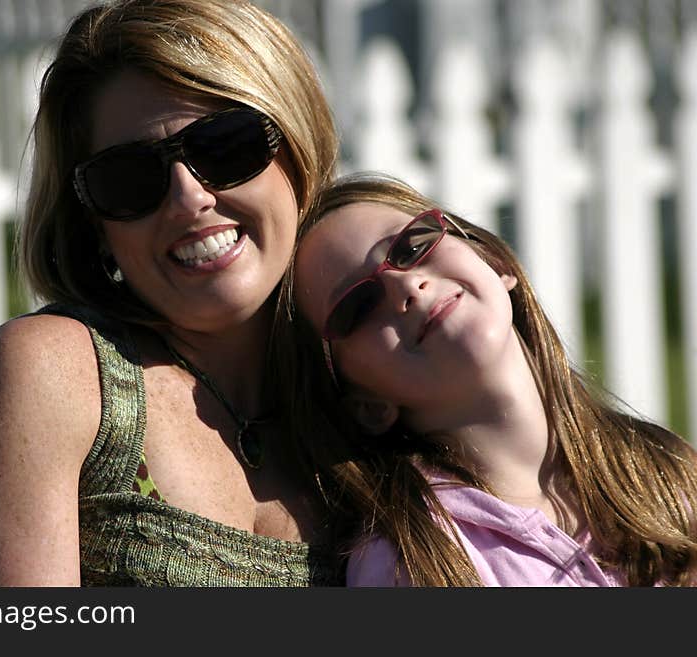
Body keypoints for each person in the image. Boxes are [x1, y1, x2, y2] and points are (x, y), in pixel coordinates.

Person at [0, 0, 342, 586]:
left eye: (226, 144)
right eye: (129, 178)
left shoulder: (367, 371)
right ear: (94, 223)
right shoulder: (55, 375)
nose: (188, 198)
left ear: (297, 150)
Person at [283, 172, 697, 586]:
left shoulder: (667, 476)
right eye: (359, 304)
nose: (406, 285)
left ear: (494, 262)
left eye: (414, 243)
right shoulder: (407, 562)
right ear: (364, 404)